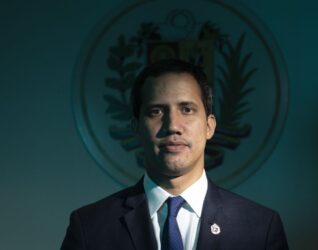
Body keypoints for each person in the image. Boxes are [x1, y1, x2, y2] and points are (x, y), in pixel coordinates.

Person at [61, 59, 289, 250]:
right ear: (137, 127)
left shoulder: (261, 228)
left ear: (209, 126)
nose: (172, 125)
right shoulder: (89, 228)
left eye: (187, 110)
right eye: (156, 111)